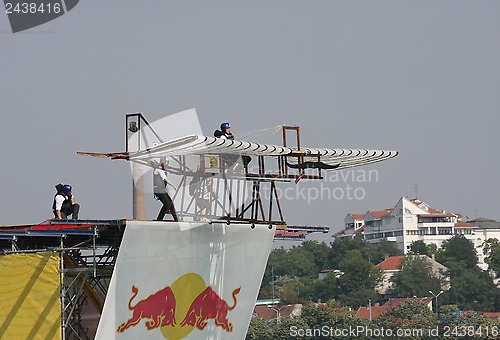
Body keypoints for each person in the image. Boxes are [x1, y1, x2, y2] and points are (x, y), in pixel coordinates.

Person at [152, 157, 178, 221]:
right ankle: (159, 219)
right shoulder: (159, 169)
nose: (166, 164)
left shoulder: (162, 170)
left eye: (167, 163)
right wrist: (174, 186)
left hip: (162, 190)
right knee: (167, 204)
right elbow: (165, 179)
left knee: (171, 204)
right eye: (165, 163)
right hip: (158, 190)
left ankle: (177, 219)